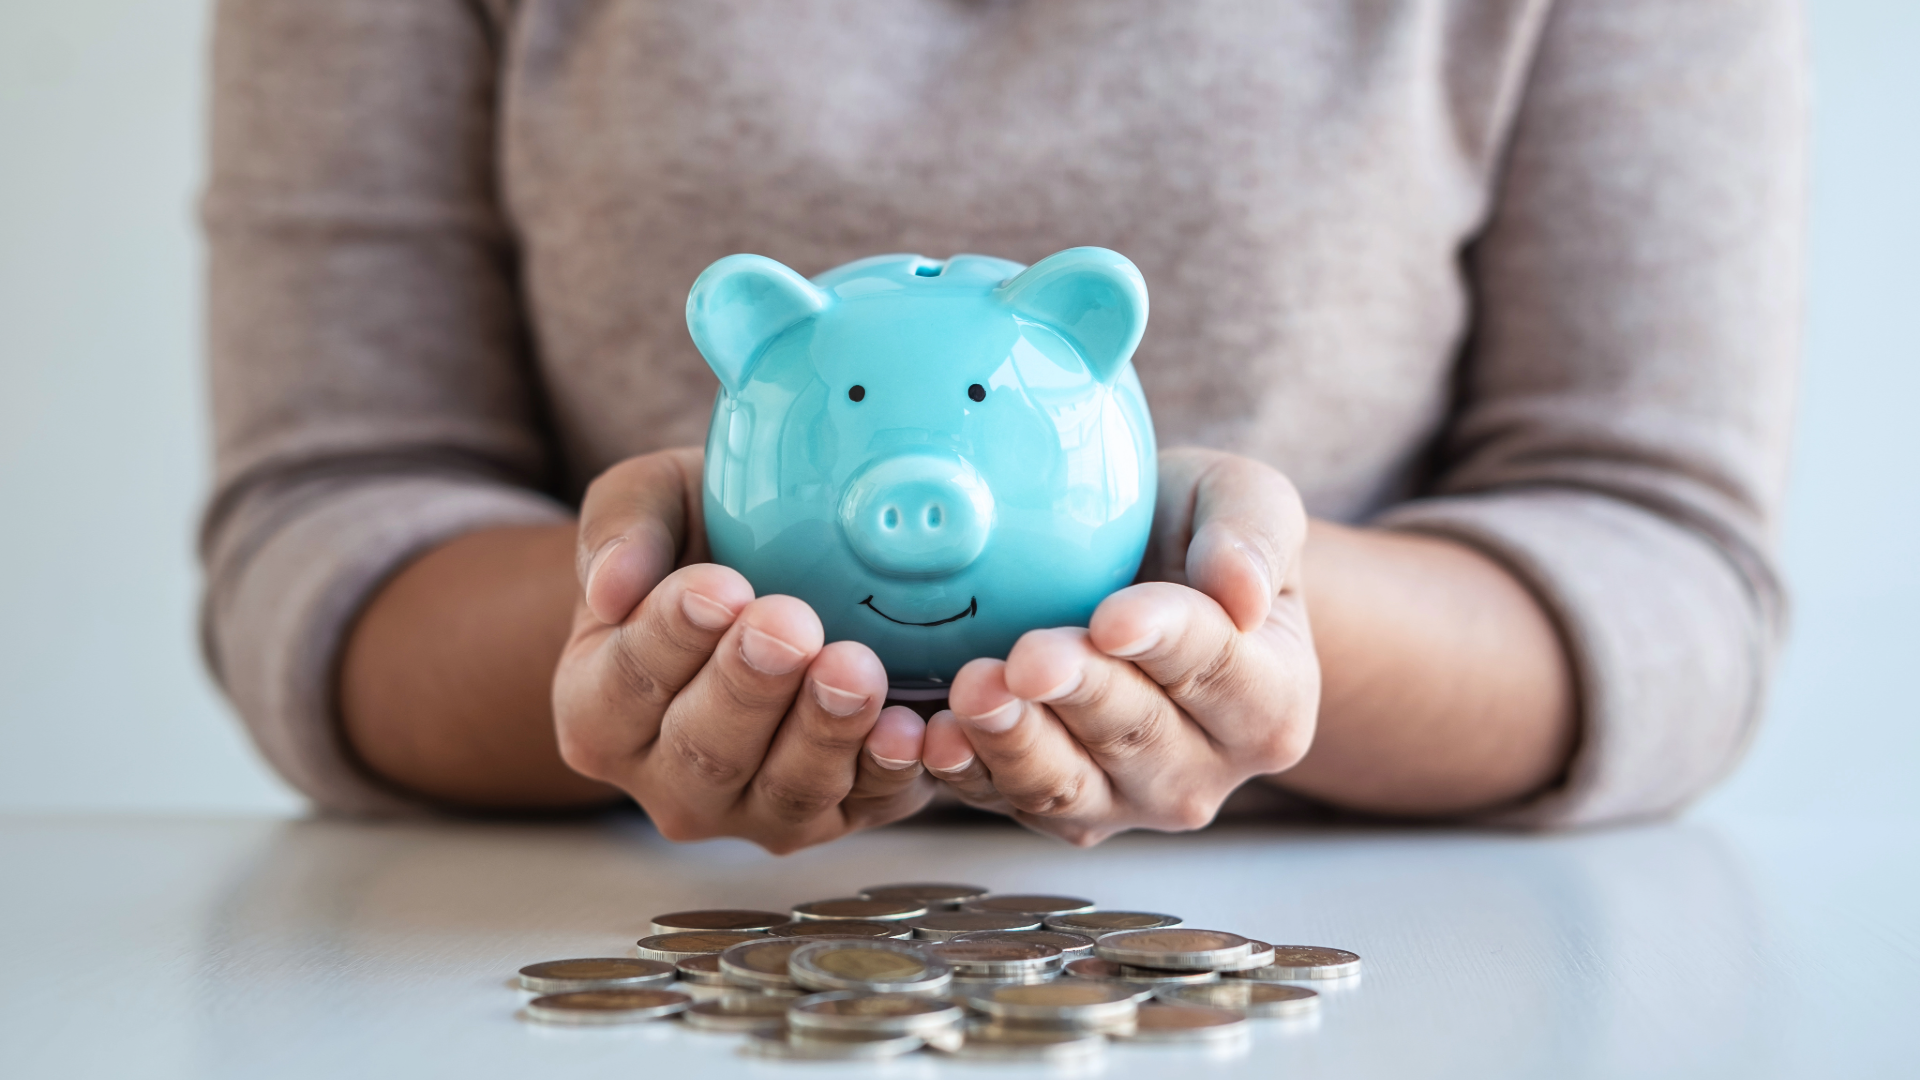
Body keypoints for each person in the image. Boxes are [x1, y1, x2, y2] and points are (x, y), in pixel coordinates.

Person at [199, 0, 1804, 851]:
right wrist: (632, 627)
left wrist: (1238, 620)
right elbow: (323, 521)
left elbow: (1665, 565)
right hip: (567, 943)